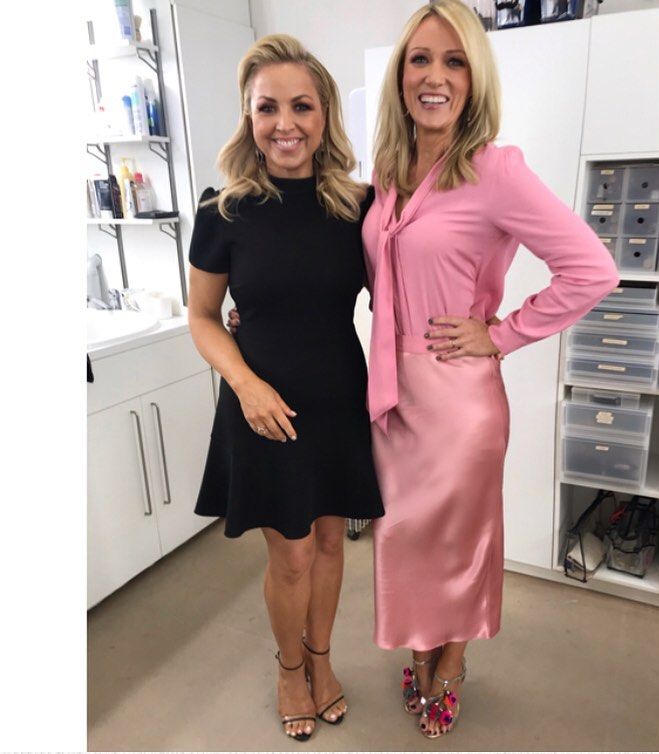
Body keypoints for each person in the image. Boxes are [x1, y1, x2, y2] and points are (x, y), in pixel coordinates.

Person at [363, 0, 620, 739]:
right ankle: (419, 647)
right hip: (392, 395)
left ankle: (450, 662)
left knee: (456, 542)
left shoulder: (494, 170)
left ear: (475, 78)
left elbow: (592, 269)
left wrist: (501, 335)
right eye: (420, 59)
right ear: (400, 75)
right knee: (402, 537)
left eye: (454, 62)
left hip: (457, 398)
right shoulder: (386, 173)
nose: (434, 77)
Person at [187, 34, 384, 742]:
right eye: (267, 107)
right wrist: (245, 384)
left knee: (331, 543)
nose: (284, 124)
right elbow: (202, 317)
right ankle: (289, 667)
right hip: (262, 406)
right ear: (248, 116)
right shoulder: (222, 212)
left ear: (325, 114)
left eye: (301, 106)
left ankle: (322, 660)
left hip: (338, 395)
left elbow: (402, 292)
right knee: (292, 552)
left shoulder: (359, 206)